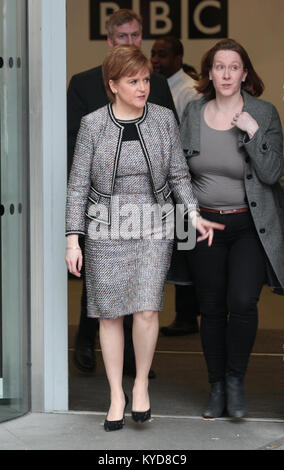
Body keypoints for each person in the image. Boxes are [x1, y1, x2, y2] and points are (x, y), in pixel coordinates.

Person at [65, 45, 224, 431]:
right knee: (110, 314)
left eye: (146, 80)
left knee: (148, 308)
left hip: (154, 224)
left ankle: (140, 386)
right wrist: (73, 238)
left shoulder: (163, 119)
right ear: (113, 85)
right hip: (105, 226)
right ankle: (116, 394)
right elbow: (77, 186)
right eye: (133, 81)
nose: (143, 87)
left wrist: (191, 213)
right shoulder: (93, 125)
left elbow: (178, 175)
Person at [67, 9, 178, 378]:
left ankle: (135, 365)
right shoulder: (84, 84)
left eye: (136, 36)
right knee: (101, 291)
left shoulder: (156, 84)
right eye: (124, 37)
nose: (131, 42)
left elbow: (169, 144)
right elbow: (75, 153)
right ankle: (85, 340)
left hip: (148, 210)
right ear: (110, 40)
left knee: (144, 293)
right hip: (103, 207)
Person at [180, 38, 284, 419]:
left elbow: (273, 173)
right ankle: (216, 386)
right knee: (210, 308)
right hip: (204, 224)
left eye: (233, 67)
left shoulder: (264, 112)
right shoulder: (193, 112)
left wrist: (254, 132)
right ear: (209, 73)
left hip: (250, 226)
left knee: (242, 302)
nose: (226, 74)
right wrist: (189, 216)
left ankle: (236, 381)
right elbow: (178, 173)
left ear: (245, 73)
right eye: (219, 67)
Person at [151, 36, 200, 336]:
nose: (156, 60)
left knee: (186, 247)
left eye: (163, 55)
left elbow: (190, 141)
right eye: (154, 54)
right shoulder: (156, 86)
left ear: (179, 58)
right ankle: (185, 315)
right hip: (162, 180)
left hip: (185, 181)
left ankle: (187, 316)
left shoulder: (189, 91)